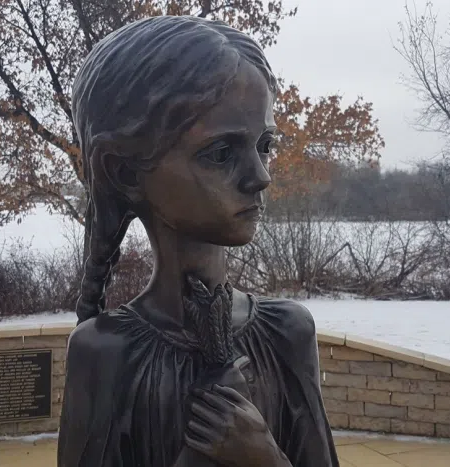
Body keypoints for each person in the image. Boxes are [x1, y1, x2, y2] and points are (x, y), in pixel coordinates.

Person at [56, 15, 339, 467]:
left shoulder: (289, 332)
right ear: (124, 172)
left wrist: (264, 457)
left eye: (265, 145)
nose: (261, 177)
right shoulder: (104, 353)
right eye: (221, 153)